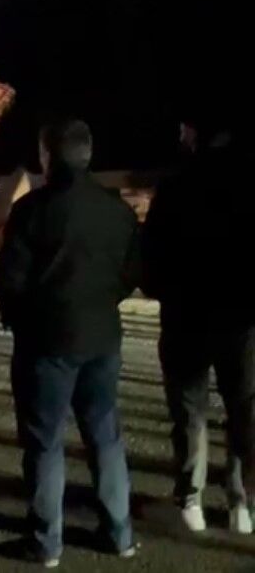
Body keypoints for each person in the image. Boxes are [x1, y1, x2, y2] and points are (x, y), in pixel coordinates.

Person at [0, 119, 140, 567]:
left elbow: (10, 278)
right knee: (105, 437)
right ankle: (120, 533)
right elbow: (131, 274)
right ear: (88, 154)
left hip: (47, 344)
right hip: (102, 339)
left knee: (45, 442)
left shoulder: (33, 211)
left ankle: (46, 541)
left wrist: (19, 322)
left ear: (47, 157)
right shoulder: (117, 211)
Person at [142, 116, 254, 534]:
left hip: (186, 317)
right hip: (242, 320)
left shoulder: (174, 189)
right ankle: (242, 503)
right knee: (242, 409)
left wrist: (163, 290)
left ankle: (191, 501)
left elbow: (149, 260)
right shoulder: (249, 185)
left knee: (191, 411)